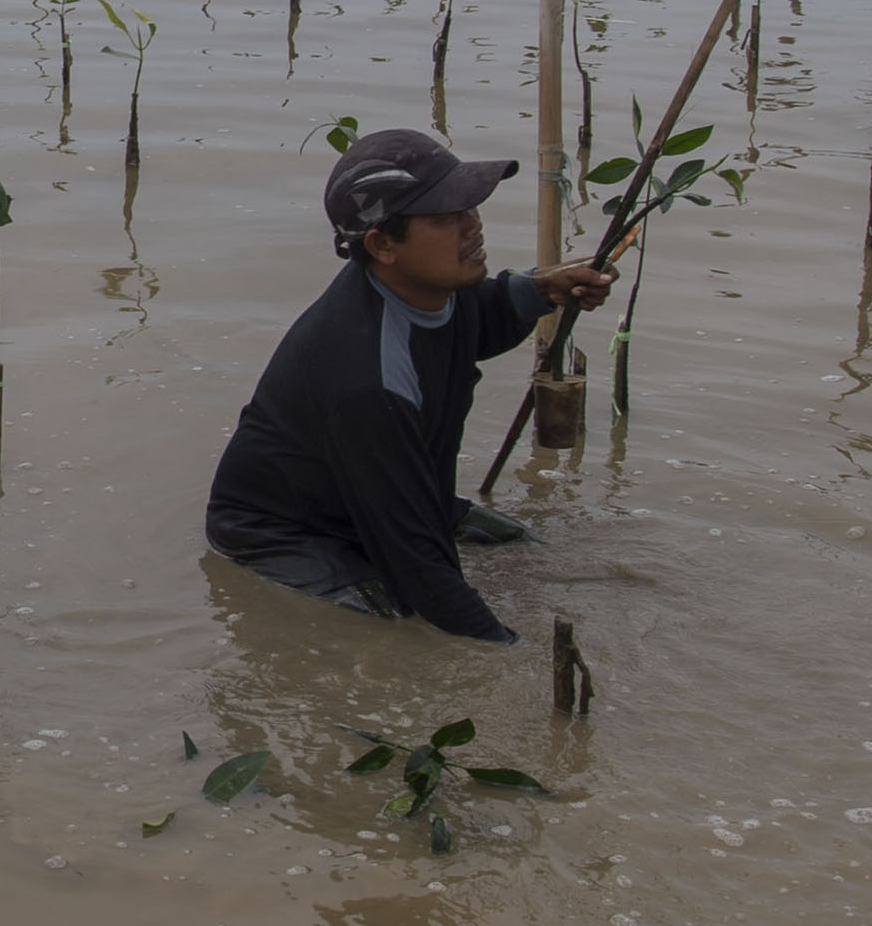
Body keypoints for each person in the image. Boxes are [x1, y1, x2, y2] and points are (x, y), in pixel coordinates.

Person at [204, 126, 612, 644]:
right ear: (382, 244)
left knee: (526, 544)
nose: (473, 226)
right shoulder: (365, 379)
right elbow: (418, 565)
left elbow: (474, 322)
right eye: (446, 218)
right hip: (287, 534)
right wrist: (508, 654)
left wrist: (539, 291)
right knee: (397, 620)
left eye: (470, 208)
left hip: (380, 493)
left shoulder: (432, 284)